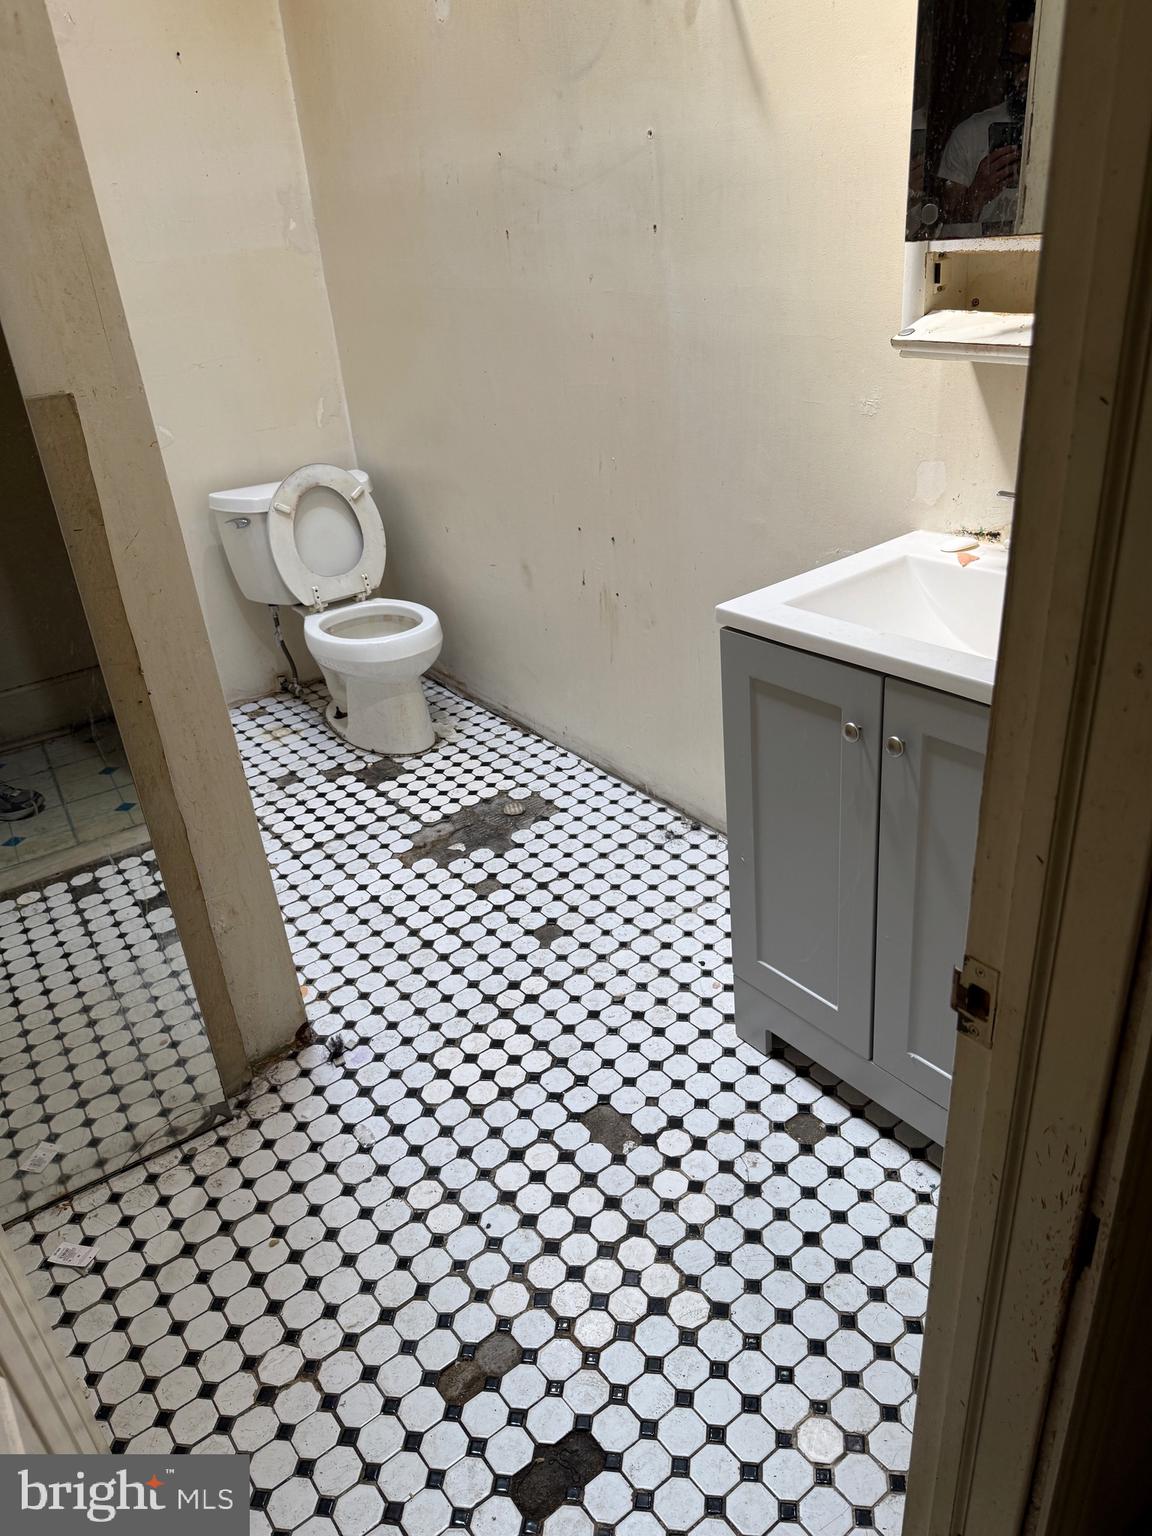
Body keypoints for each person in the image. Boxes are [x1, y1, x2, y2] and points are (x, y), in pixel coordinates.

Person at [939, 1, 1035, 237]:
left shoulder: (1073, 135)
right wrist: (978, 193)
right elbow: (946, 232)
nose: (1021, 75)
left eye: (1029, 62)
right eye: (1012, 61)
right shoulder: (969, 133)